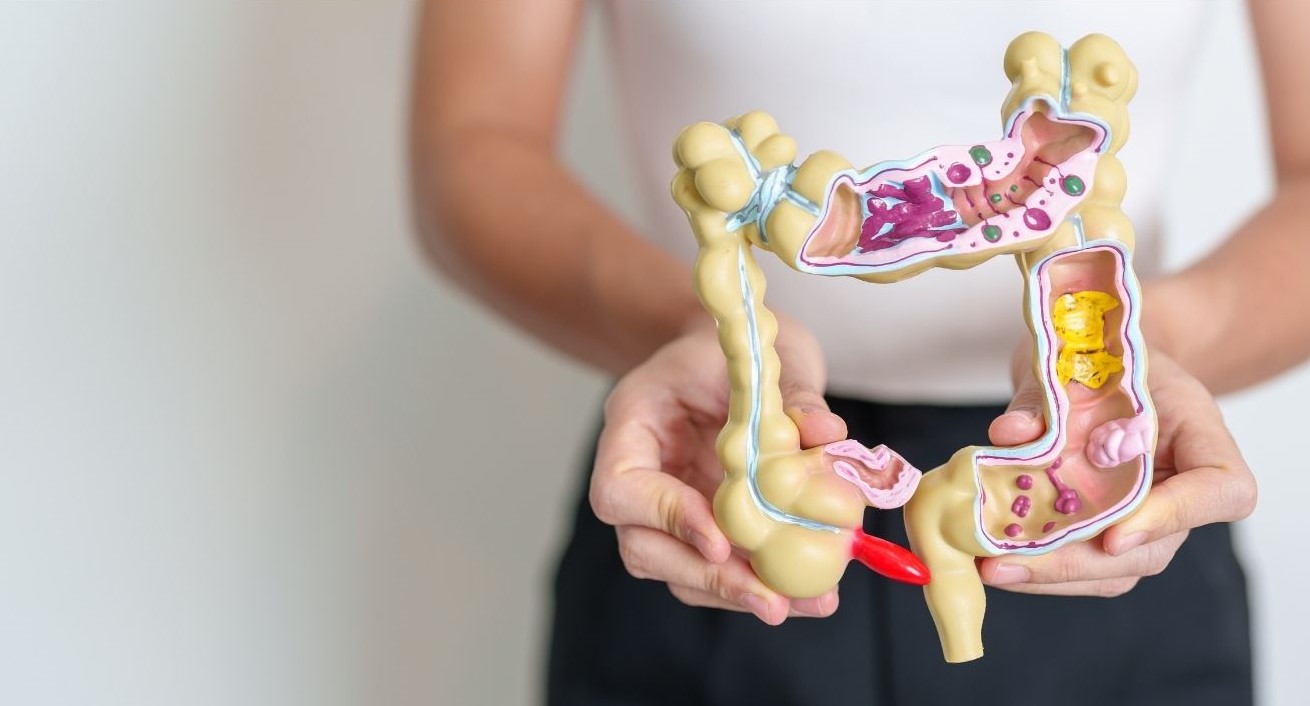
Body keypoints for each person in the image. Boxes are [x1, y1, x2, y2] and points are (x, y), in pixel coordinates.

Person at [411, 2, 1309, 704]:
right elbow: (474, 144)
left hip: (1120, 508)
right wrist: (703, 329)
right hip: (712, 449)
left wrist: (1153, 350)